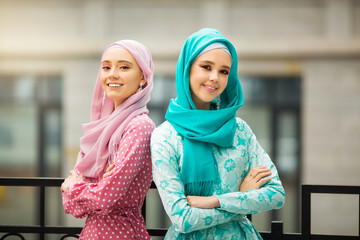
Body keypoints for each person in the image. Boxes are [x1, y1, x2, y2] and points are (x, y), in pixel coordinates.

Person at [150, 28, 285, 239]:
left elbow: (276, 194)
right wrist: (241, 198)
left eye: (224, 71)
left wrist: (216, 201)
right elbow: (182, 218)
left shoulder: (239, 130)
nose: (215, 78)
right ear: (187, 69)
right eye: (206, 67)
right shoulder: (165, 136)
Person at [61, 40, 155, 240]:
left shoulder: (140, 127)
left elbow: (105, 197)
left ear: (142, 77)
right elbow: (70, 206)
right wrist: (92, 189)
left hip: (122, 234)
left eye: (124, 67)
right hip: (91, 233)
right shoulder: (101, 130)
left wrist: (74, 186)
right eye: (106, 67)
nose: (112, 73)